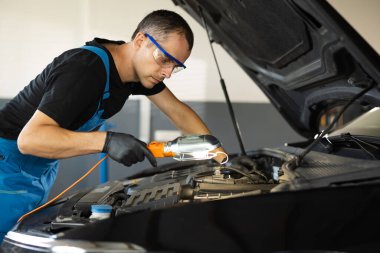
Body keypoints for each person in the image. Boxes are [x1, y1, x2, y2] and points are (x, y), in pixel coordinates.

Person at [0, 9, 225, 241]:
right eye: (164, 59)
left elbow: (177, 111)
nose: (167, 72)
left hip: (36, 171)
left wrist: (219, 158)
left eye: (176, 66)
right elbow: (30, 140)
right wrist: (107, 141)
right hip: (6, 167)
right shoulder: (85, 68)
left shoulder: (132, 73)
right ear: (140, 41)